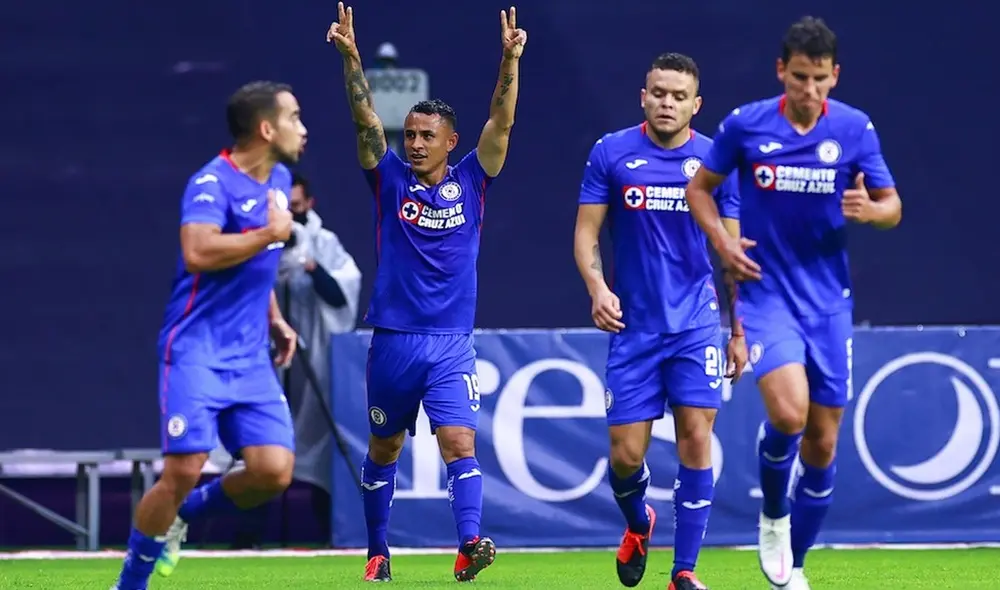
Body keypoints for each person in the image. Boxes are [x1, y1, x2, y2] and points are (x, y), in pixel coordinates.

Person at [684, 17, 902, 590]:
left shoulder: (855, 129)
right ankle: (774, 512)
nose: (810, 92)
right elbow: (699, 189)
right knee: (788, 415)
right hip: (766, 292)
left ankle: (795, 562)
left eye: (821, 80)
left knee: (824, 442)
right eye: (800, 78)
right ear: (782, 71)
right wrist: (724, 242)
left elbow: (892, 205)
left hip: (829, 301)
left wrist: (870, 211)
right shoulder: (747, 125)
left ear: (836, 76)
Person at [326, 2, 526, 583]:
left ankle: (469, 544)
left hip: (450, 345)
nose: (413, 143)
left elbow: (502, 123)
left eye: (425, 136)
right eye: (409, 134)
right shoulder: (388, 178)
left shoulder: (473, 180)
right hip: (392, 342)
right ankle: (378, 552)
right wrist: (352, 59)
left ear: (450, 141)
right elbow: (365, 119)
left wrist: (510, 60)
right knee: (384, 449)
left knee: (459, 441)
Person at [111, 80, 307, 590]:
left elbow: (256, 267)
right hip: (196, 348)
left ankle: (184, 514)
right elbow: (198, 252)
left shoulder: (280, 178)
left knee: (274, 471)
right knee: (182, 468)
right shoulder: (211, 183)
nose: (303, 129)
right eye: (294, 118)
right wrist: (269, 233)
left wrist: (275, 318)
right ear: (266, 128)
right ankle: (130, 584)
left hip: (250, 357)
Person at [574, 53, 747, 590]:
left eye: (678, 96)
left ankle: (684, 571)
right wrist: (598, 288)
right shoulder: (611, 152)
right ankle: (638, 522)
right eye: (658, 93)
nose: (667, 102)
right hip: (635, 331)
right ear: (642, 97)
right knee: (625, 459)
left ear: (696, 105)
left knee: (697, 437)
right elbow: (586, 234)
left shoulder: (716, 164)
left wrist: (739, 331)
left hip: (696, 326)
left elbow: (733, 253)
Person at [278, 172, 363, 538]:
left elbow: (343, 296)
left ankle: (331, 533)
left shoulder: (325, 242)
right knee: (261, 446)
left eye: (296, 208)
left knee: (321, 449)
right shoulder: (259, 241)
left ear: (309, 204)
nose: (292, 218)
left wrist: (311, 266)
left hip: (316, 365)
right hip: (275, 363)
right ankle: (246, 536)